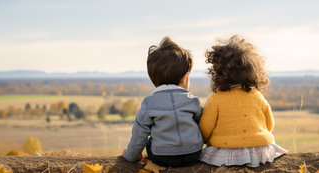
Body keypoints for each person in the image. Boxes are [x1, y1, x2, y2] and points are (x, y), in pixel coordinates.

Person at [199, 35, 287, 167]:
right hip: (258, 150)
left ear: (218, 72)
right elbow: (269, 125)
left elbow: (205, 130)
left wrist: (209, 141)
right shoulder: (257, 96)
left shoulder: (216, 99)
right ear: (254, 71)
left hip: (227, 151)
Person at [122, 36, 203, 167]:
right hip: (193, 154)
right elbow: (204, 126)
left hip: (162, 156)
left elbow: (139, 133)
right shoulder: (192, 101)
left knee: (149, 141)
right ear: (185, 77)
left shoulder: (149, 103)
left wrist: (130, 156)